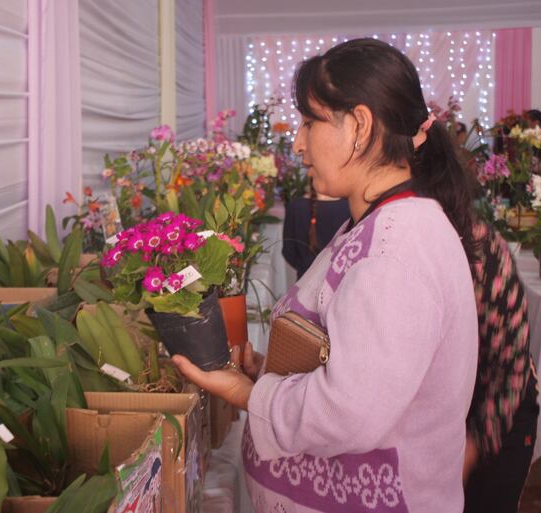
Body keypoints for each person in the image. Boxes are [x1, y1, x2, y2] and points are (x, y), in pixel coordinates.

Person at [173, 38, 480, 513]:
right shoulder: (378, 223)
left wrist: (248, 393)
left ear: (359, 126)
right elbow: (360, 361)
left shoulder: (396, 250)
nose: (297, 142)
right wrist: (277, 371)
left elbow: (350, 413)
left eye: (309, 122)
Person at [463, 222, 539, 513]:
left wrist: (472, 448)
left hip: (495, 414)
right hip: (442, 425)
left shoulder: (479, 245)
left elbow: (510, 370)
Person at [282, 179, 350, 279]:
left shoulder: (295, 205)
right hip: (338, 284)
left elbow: (288, 252)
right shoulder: (349, 208)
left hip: (304, 282)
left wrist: (305, 268)